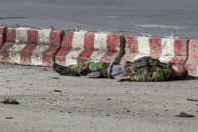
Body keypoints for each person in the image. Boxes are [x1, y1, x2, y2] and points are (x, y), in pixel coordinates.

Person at [52, 57, 187, 82]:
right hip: (125, 68)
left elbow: (146, 77)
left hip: (124, 72)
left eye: (180, 68)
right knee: (102, 68)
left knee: (95, 65)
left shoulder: (164, 73)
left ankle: (68, 70)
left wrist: (126, 78)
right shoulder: (165, 68)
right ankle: (96, 74)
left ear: (178, 74)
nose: (178, 65)